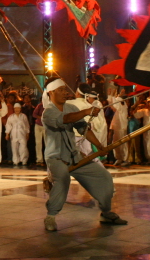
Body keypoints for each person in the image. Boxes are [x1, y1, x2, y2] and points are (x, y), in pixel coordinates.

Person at [41, 78, 126, 232]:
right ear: (51, 93)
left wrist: (100, 146)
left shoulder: (71, 107)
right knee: (62, 180)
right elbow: (64, 120)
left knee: (104, 177)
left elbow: (83, 128)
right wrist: (87, 112)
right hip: (56, 157)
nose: (65, 93)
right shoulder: (48, 112)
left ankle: (106, 212)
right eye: (60, 90)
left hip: (74, 155)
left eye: (65, 89)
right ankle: (51, 216)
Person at [109, 93, 130, 167]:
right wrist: (110, 95)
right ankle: (119, 158)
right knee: (115, 142)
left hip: (122, 127)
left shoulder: (122, 106)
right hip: (117, 127)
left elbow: (115, 104)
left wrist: (114, 96)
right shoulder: (120, 106)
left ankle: (126, 159)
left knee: (123, 143)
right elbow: (112, 104)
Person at [32, 99, 47, 167]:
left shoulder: (49, 106)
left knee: (47, 143)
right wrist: (40, 117)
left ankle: (47, 159)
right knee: (38, 143)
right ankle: (39, 160)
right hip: (38, 125)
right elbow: (34, 114)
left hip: (46, 126)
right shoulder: (39, 106)